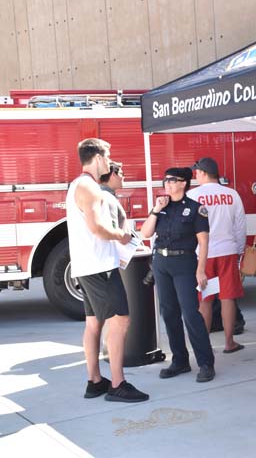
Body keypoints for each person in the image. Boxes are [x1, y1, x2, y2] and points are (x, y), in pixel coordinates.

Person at [66, 138, 148, 403]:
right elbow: (98, 228)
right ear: (99, 158)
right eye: (108, 155)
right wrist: (122, 236)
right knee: (120, 320)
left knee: (94, 323)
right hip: (100, 267)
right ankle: (117, 383)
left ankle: (95, 381)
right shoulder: (89, 187)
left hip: (86, 266)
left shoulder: (77, 185)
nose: (110, 161)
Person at [140, 167, 216, 383]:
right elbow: (146, 233)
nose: (168, 183)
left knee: (190, 313)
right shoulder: (162, 207)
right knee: (169, 312)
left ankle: (205, 363)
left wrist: (201, 269)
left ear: (184, 183)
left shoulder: (195, 209)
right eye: (165, 180)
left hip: (184, 263)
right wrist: (155, 210)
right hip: (161, 263)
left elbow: (203, 241)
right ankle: (180, 360)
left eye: (172, 180)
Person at [187, 157, 247, 354]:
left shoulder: (193, 195)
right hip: (227, 252)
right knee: (228, 298)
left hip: (203, 256)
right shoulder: (232, 194)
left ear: (204, 173)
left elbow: (188, 228)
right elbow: (240, 227)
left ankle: (205, 346)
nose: (196, 175)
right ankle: (229, 342)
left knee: (205, 299)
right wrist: (238, 251)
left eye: (197, 172)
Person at [99, 161, 127, 230]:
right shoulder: (106, 197)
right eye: (121, 174)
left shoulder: (103, 195)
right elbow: (112, 229)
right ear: (113, 175)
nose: (123, 177)